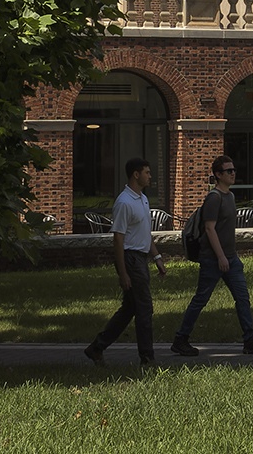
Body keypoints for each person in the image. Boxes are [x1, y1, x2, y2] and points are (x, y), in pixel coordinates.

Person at [169, 154, 253, 356]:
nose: (233, 174)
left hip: (231, 258)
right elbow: (209, 229)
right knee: (201, 299)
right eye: (228, 171)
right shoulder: (214, 198)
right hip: (213, 259)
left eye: (233, 170)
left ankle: (250, 340)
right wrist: (220, 257)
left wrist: (228, 256)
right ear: (218, 175)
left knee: (242, 297)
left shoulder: (231, 196)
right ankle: (181, 339)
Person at [85, 157, 167, 367]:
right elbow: (118, 239)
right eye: (147, 172)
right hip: (131, 259)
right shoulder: (124, 202)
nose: (150, 176)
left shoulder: (143, 199)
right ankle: (147, 358)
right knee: (144, 308)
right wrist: (123, 273)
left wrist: (156, 257)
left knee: (130, 308)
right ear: (135, 175)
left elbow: (144, 232)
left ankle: (96, 348)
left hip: (141, 257)